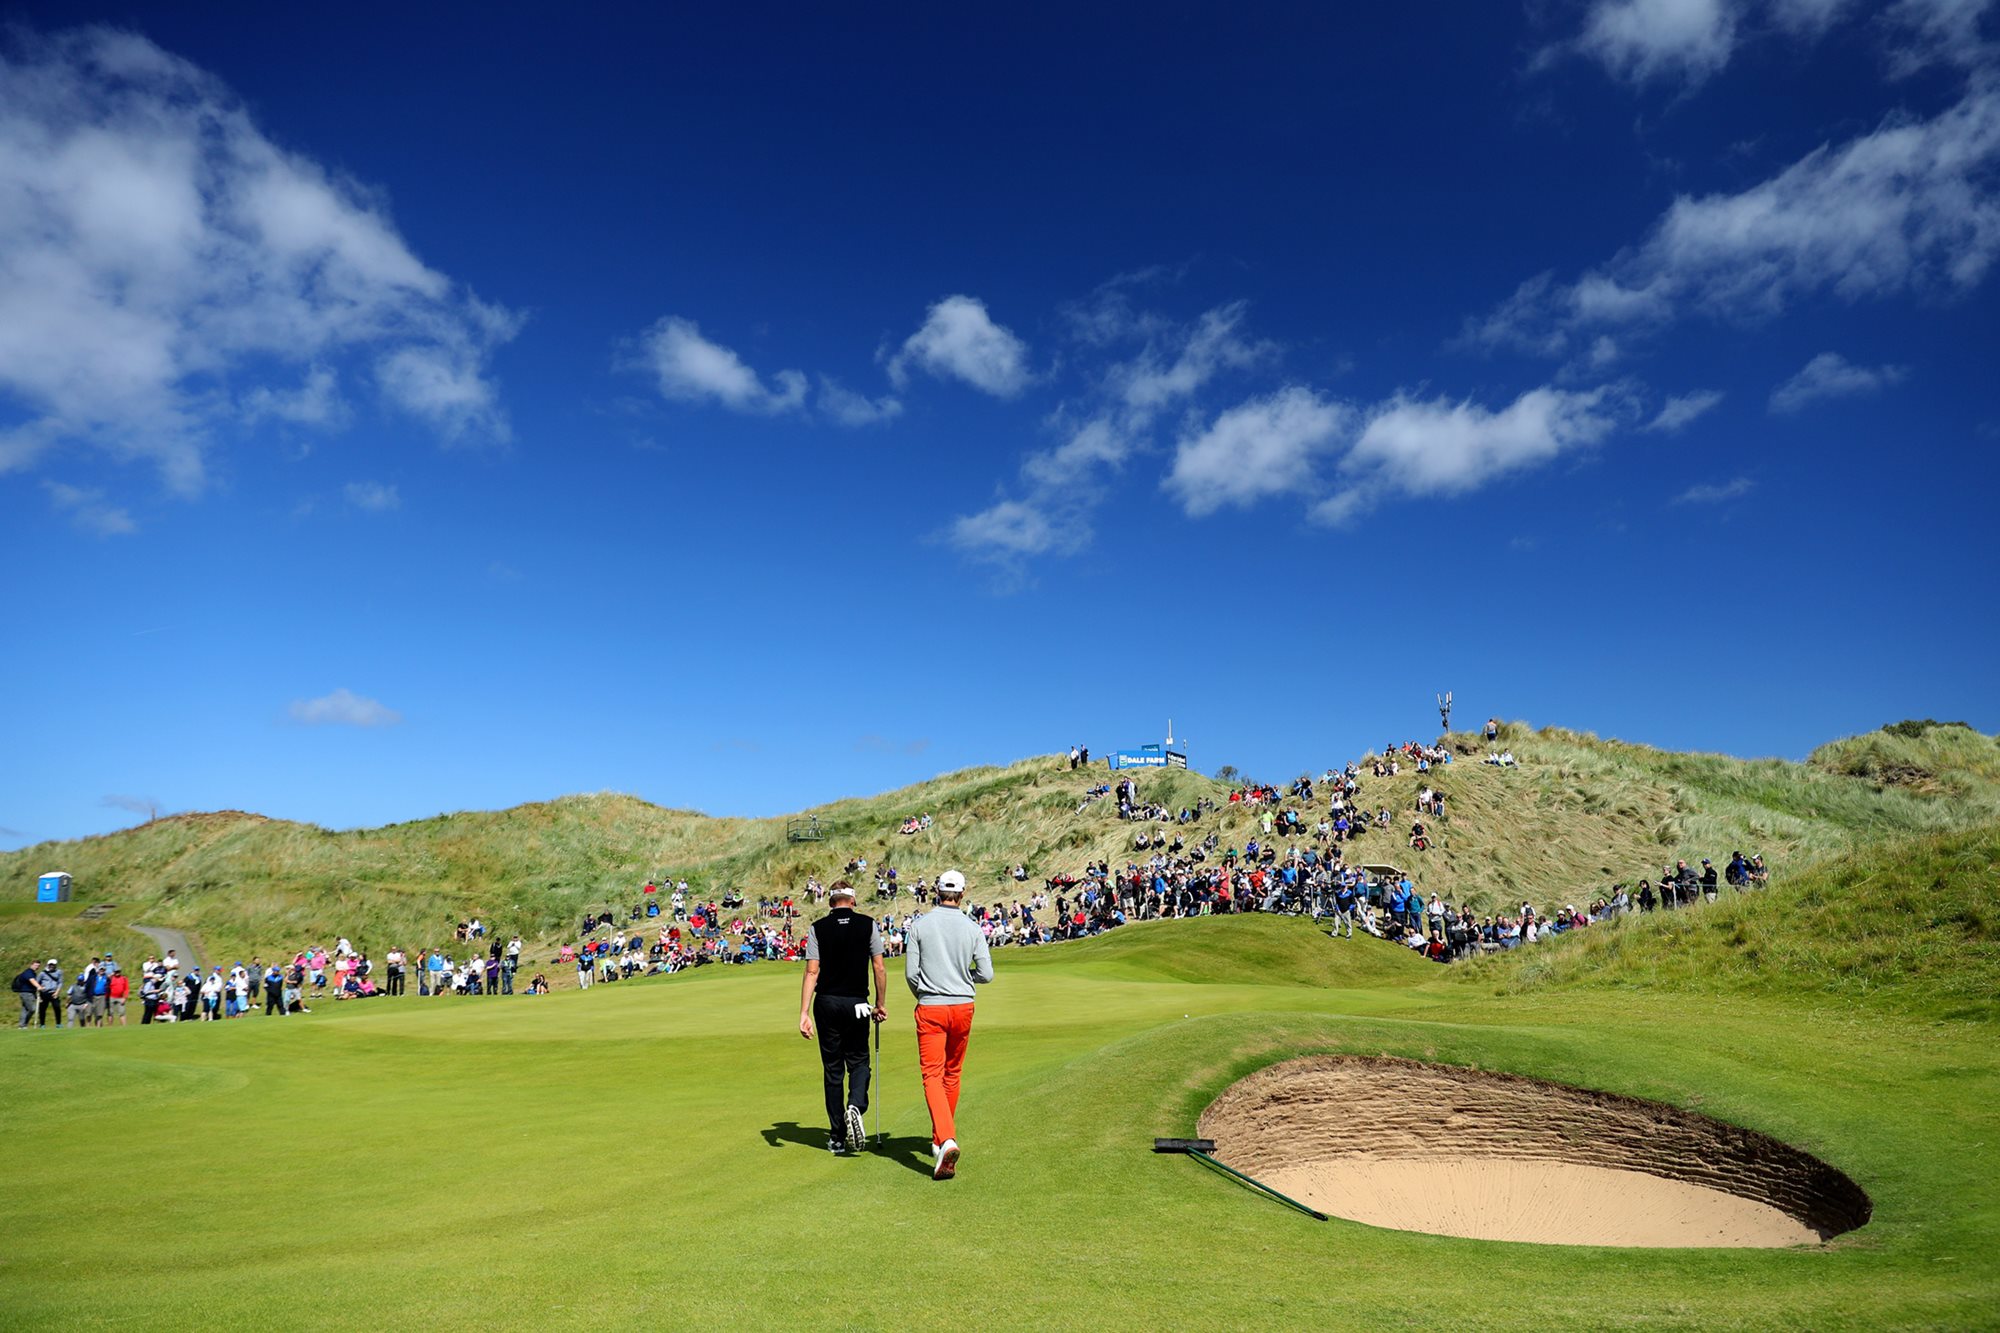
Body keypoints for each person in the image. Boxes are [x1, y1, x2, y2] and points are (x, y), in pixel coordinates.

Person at [903, 868, 994, 1180]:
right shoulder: (972, 928)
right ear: (963, 894)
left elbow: (912, 975)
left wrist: (927, 991)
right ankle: (939, 1139)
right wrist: (962, 977)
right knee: (951, 1074)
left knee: (932, 1075)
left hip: (931, 1006)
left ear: (936, 892)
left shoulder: (919, 926)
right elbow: (986, 973)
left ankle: (947, 1138)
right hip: (963, 1005)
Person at [797, 882, 888, 1155]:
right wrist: (880, 1004)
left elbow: (812, 972)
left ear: (830, 902)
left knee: (833, 1070)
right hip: (858, 1003)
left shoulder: (817, 928)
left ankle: (837, 1137)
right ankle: (855, 1105)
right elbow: (879, 967)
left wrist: (803, 1012)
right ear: (853, 900)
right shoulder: (868, 925)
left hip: (826, 1003)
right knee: (859, 1062)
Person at [13, 960, 38, 1029]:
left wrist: (36, 994)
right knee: (32, 1009)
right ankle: (24, 1024)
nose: (37, 967)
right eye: (35, 965)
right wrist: (39, 987)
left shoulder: (33, 973)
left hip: (30, 993)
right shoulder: (28, 972)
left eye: (38, 966)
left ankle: (22, 1025)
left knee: (25, 1009)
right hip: (26, 993)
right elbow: (32, 981)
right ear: (31, 965)